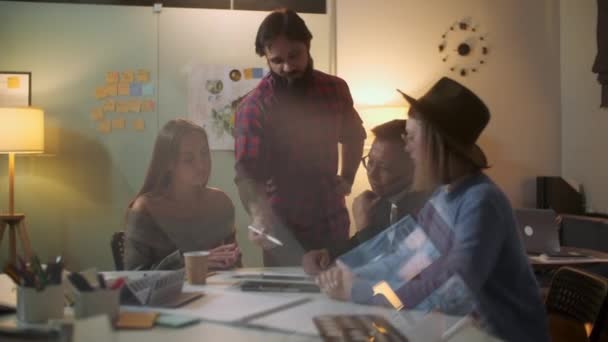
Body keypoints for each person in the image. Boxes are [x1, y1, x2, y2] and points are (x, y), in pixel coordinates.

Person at [316, 78, 549, 342]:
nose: (407, 146)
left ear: (436, 143)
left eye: (412, 137)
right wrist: (349, 272)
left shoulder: (482, 202)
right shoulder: (443, 195)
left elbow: (454, 289)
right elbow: (405, 258)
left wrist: (360, 292)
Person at [234, 8, 366, 266]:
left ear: (307, 46)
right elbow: (247, 174)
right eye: (276, 60)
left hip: (332, 222)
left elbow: (354, 135)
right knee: (285, 299)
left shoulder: (335, 89)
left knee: (337, 297)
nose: (287, 67)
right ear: (266, 58)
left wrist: (348, 177)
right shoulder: (253, 107)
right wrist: (260, 215)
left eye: (294, 55)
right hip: (283, 230)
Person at [302, 119, 428, 275]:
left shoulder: (425, 208)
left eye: (384, 168)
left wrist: (363, 225)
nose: (371, 173)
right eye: (370, 162)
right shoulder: (382, 201)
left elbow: (391, 272)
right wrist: (327, 254)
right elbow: (357, 245)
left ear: (413, 168)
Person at [124, 119, 241, 270]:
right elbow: (134, 277)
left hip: (216, 292)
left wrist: (232, 261)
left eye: (204, 153)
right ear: (168, 164)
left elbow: (236, 265)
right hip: (170, 294)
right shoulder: (146, 208)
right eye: (188, 159)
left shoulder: (221, 202)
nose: (201, 165)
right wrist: (191, 263)